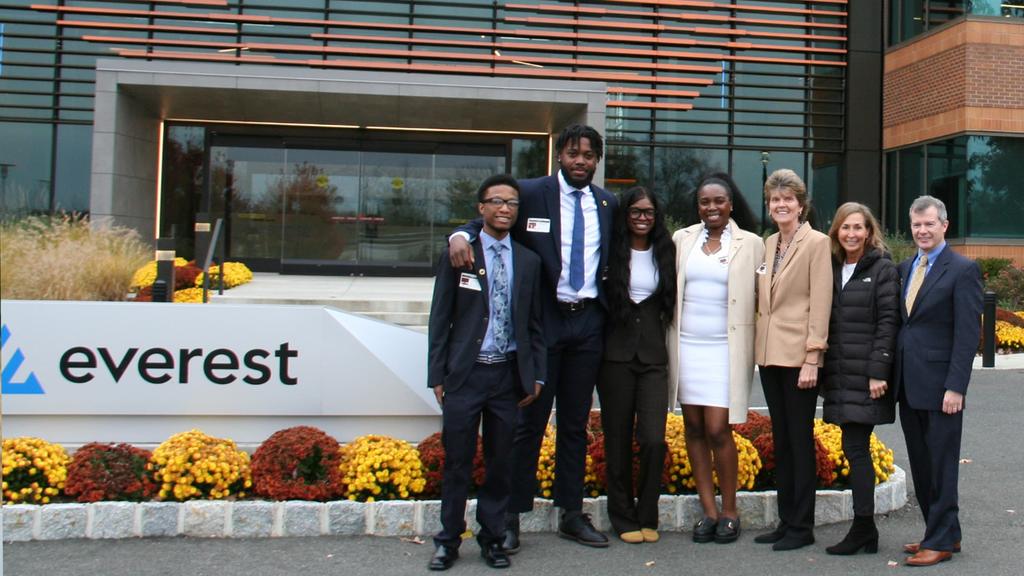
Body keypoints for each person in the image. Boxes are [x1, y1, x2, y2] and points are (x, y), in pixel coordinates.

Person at [447, 124, 617, 550]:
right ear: (559, 155)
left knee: (576, 424)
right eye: (573, 153)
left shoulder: (607, 202)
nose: (581, 161)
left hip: (588, 324)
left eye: (589, 155)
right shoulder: (531, 192)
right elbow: (488, 216)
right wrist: (459, 235)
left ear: (597, 161)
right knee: (529, 422)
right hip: (543, 325)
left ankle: (571, 513)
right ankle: (510, 515)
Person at [426, 174, 546, 571]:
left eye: (511, 203)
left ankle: (493, 538)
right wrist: (437, 375)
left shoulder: (528, 261)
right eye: (496, 201)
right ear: (481, 209)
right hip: (465, 376)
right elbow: (440, 316)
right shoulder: (461, 253)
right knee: (458, 461)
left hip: (507, 378)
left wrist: (537, 375)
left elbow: (535, 325)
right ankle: (447, 541)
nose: (504, 208)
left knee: (500, 464)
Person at [668, 173, 764, 545]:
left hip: (725, 349)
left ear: (731, 204)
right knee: (692, 428)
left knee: (717, 429)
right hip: (687, 346)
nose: (712, 208)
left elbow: (765, 294)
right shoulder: (682, 240)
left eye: (718, 201)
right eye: (705, 202)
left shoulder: (751, 243)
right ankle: (708, 512)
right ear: (698, 206)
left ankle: (730, 511)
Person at [895, 195, 982, 567]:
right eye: (916, 224)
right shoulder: (905, 267)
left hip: (943, 386)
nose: (922, 230)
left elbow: (967, 335)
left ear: (944, 225)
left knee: (943, 464)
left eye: (929, 223)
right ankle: (943, 531)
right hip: (908, 384)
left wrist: (956, 387)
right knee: (921, 462)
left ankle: (941, 541)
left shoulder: (962, 269)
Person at [752, 168, 832, 551]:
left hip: (800, 358)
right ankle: (787, 520)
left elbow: (821, 302)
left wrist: (813, 357)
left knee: (800, 441)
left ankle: (803, 526)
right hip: (770, 357)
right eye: (775, 200)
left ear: (801, 204)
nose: (781, 205)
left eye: (788, 199)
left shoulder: (816, 243)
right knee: (781, 439)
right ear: (769, 207)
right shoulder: (769, 245)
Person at [597, 187, 676, 544]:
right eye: (635, 212)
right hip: (614, 357)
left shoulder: (667, 251)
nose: (642, 218)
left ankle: (647, 513)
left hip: (654, 358)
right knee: (617, 439)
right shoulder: (609, 251)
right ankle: (622, 515)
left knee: (653, 439)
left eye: (648, 212)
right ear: (625, 215)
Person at [820, 202, 900, 555]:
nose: (851, 234)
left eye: (858, 227)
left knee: (856, 448)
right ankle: (865, 530)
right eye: (845, 227)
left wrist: (877, 371)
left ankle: (864, 528)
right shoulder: (831, 267)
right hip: (839, 373)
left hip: (865, 375)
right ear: (836, 231)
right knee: (854, 449)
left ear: (869, 232)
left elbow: (888, 322)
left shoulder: (882, 269)